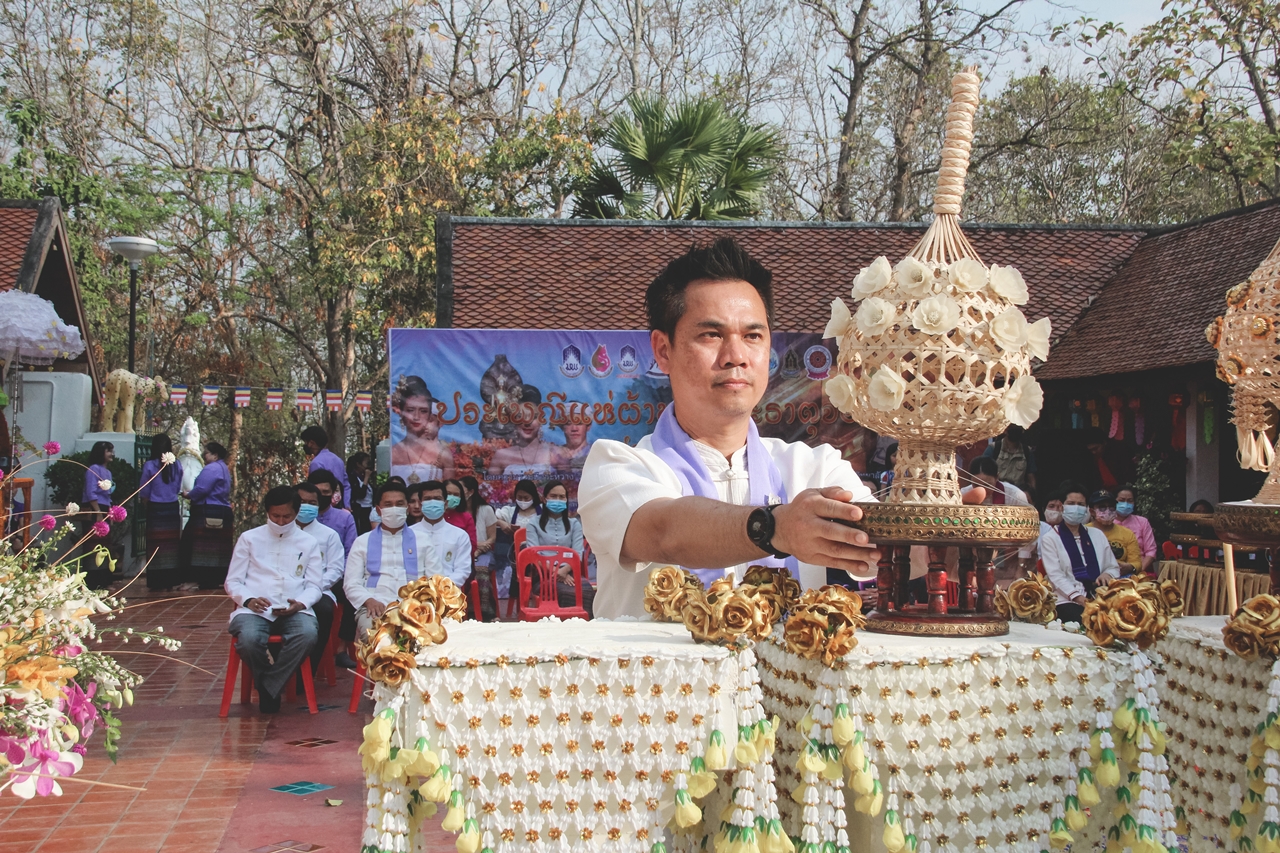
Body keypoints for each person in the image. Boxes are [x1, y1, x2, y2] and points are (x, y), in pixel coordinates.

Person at [577, 237, 882, 619]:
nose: (735, 356)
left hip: (784, 661)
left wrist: (940, 535)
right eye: (711, 335)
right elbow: (664, 532)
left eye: (752, 336)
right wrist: (775, 528)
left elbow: (888, 550)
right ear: (663, 350)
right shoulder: (618, 467)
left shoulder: (816, 469)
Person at [224, 486, 323, 713]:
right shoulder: (249, 539)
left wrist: (300, 603)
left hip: (295, 608)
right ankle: (271, 687)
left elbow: (315, 585)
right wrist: (248, 600)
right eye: (275, 516)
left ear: (296, 513)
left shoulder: (308, 542)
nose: (280, 521)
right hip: (254, 609)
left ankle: (268, 686)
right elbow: (233, 581)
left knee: (307, 635)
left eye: (286, 517)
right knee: (248, 640)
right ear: (267, 512)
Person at [344, 483, 437, 641]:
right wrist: (369, 601)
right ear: (378, 510)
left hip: (417, 607)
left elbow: (435, 579)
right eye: (388, 504)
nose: (394, 509)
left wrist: (421, 604)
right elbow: (351, 583)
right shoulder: (362, 542)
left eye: (399, 504)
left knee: (423, 640)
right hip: (374, 607)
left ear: (407, 508)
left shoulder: (423, 540)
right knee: (377, 639)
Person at [1041, 482, 1122, 623]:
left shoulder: (1097, 534)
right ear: (1061, 506)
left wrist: (1107, 574)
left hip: (1100, 595)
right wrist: (1080, 598)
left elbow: (1113, 567)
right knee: (1089, 621)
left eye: (1080, 504)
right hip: (1066, 599)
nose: (1076, 508)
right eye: (1071, 503)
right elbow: (1056, 576)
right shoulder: (1050, 538)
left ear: (1086, 509)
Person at [294, 481, 346, 674]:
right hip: (284, 590)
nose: (306, 506)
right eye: (301, 502)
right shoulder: (280, 532)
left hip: (319, 590)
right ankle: (285, 667)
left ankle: (309, 671)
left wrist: (313, 587)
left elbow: (335, 569)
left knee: (324, 611)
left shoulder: (329, 535)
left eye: (312, 503)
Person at [524, 480, 594, 617]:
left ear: (566, 500)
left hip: (569, 572)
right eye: (553, 496)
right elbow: (534, 555)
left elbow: (577, 553)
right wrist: (557, 572)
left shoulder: (574, 524)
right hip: (544, 574)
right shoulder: (533, 524)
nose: (558, 500)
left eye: (562, 497)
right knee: (564, 591)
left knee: (587, 590)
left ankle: (584, 626)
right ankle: (561, 626)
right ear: (544, 499)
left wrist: (565, 571)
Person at [181, 442, 235, 589]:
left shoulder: (212, 468)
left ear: (215, 455)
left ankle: (195, 578)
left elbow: (202, 489)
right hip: (222, 510)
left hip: (208, 510)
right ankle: (215, 578)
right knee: (217, 550)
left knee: (198, 547)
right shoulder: (224, 468)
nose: (204, 455)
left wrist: (189, 495)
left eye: (206, 453)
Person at [408, 480, 473, 595]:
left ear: (445, 504)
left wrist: (443, 588)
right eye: (427, 499)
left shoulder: (460, 535)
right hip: (415, 594)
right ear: (420, 504)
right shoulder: (409, 534)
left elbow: (462, 570)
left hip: (448, 593)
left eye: (437, 498)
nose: (433, 503)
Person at [390, 375, 455, 485]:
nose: (416, 417)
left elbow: (451, 492)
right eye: (410, 410)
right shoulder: (393, 453)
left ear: (430, 414)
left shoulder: (443, 455)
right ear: (402, 414)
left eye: (423, 411)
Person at [140, 434, 185, 590]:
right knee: (171, 545)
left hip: (156, 507)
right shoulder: (177, 465)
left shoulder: (149, 466)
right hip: (172, 507)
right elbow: (178, 487)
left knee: (156, 545)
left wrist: (147, 503)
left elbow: (144, 491)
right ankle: (171, 580)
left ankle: (157, 581)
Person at [487, 385, 556, 480]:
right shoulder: (501, 456)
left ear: (541, 419)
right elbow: (492, 488)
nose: (527, 422)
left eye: (533, 417)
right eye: (520, 416)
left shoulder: (555, 454)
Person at [491, 479, 542, 600]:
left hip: (541, 553)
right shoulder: (509, 512)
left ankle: (533, 582)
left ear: (533, 497)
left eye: (526, 498)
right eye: (520, 498)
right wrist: (501, 523)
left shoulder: (543, 511)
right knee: (523, 549)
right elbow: (490, 516)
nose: (523, 501)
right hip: (517, 556)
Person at [82, 441, 120, 589]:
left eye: (112, 451)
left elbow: (108, 495)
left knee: (105, 547)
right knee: (93, 546)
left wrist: (109, 513)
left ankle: (104, 581)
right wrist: (97, 512)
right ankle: (93, 582)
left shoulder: (108, 472)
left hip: (104, 508)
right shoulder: (93, 469)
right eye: (108, 451)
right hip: (95, 509)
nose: (111, 454)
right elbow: (90, 492)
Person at [462, 476, 498, 620]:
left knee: (481, 570)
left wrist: (479, 548)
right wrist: (475, 546)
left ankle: (485, 612)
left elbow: (492, 537)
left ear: (470, 492)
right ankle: (467, 611)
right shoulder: (456, 513)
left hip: (484, 552)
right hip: (464, 552)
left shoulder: (486, 509)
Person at [1087, 490, 1142, 577]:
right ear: (1092, 511)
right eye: (1102, 507)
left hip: (1120, 578)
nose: (1108, 511)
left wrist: (1130, 567)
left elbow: (1136, 563)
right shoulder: (1084, 531)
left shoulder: (1127, 533)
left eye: (1111, 507)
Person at [308, 470, 357, 554]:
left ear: (333, 493)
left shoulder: (345, 518)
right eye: (318, 492)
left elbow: (351, 553)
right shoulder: (301, 516)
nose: (321, 495)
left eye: (326, 492)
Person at [302, 425, 351, 509]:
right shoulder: (338, 460)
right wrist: (347, 505)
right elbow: (346, 485)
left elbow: (315, 490)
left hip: (324, 508)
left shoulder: (316, 463)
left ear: (311, 443)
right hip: (340, 506)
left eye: (305, 442)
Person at [1114, 484, 1157, 576]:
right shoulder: (1107, 524)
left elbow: (1151, 552)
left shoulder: (1142, 522)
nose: (1126, 504)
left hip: (1140, 572)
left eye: (1130, 501)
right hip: (1111, 573)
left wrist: (1137, 570)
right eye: (1121, 500)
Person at [983, 424, 1037, 496]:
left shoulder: (1026, 451)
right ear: (1006, 430)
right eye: (1013, 428)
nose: (1016, 431)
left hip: (1017, 494)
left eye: (1018, 429)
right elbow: (983, 472)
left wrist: (1032, 496)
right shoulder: (994, 448)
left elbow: (1031, 477)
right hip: (997, 493)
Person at [551, 402, 593, 470]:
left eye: (579, 423)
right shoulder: (553, 455)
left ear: (588, 426)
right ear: (562, 427)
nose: (574, 429)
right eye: (568, 423)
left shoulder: (596, 453)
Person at [444, 478, 477, 551]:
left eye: (456, 495)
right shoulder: (435, 516)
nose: (452, 497)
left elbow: (472, 545)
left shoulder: (466, 517)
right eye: (448, 494)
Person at [348, 452, 374, 534]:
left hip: (369, 508)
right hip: (360, 510)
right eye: (366, 463)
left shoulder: (363, 477)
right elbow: (360, 494)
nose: (368, 466)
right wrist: (366, 478)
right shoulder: (352, 478)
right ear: (358, 464)